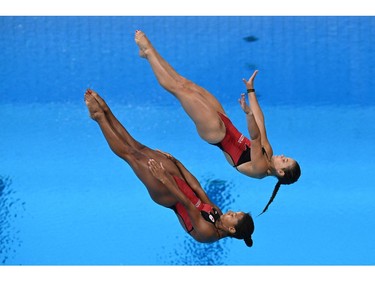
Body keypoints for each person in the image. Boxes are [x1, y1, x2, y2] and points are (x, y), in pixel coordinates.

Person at [135, 30, 301, 215]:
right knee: (187, 84)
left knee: (179, 90)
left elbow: (254, 137)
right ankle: (147, 53)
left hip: (216, 133)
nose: (283, 155)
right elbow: (260, 121)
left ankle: (149, 52)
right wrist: (251, 91)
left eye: (285, 160)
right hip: (225, 122)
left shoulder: (261, 168)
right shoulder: (268, 153)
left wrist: (247, 114)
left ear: (281, 172)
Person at [84, 89, 255, 247]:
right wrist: (177, 163)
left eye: (233, 216)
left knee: (131, 155)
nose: (231, 211)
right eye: (235, 212)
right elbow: (197, 188)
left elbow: (186, 204)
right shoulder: (218, 213)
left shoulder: (208, 233)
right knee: (139, 147)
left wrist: (164, 178)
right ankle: (107, 111)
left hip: (170, 196)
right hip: (182, 186)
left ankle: (98, 117)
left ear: (231, 229)